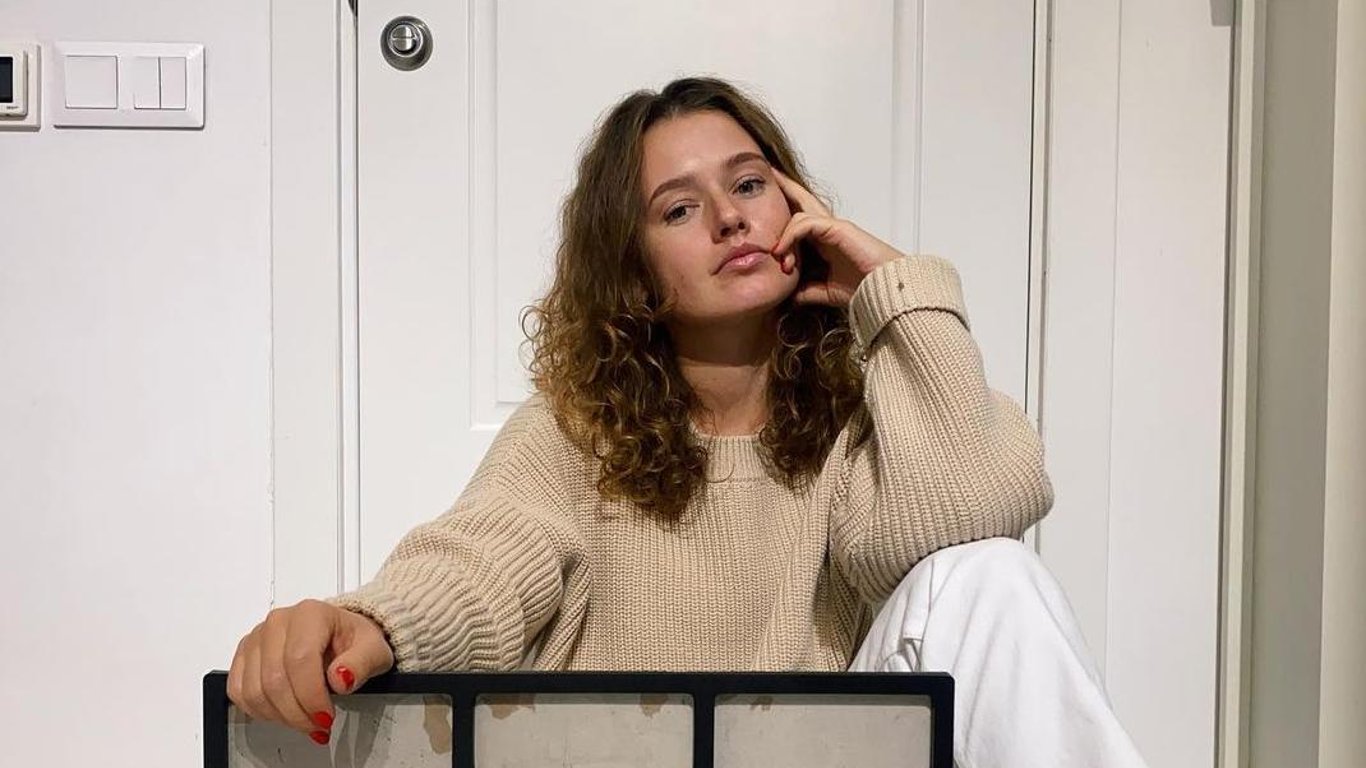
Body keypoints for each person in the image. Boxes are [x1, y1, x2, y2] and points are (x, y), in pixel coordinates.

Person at [228, 77, 1147, 766]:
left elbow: (981, 506)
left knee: (991, 574)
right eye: (679, 207)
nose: (729, 220)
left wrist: (894, 294)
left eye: (749, 184)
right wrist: (372, 623)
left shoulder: (863, 419)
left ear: (798, 209)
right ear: (633, 270)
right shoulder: (577, 432)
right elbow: (484, 561)